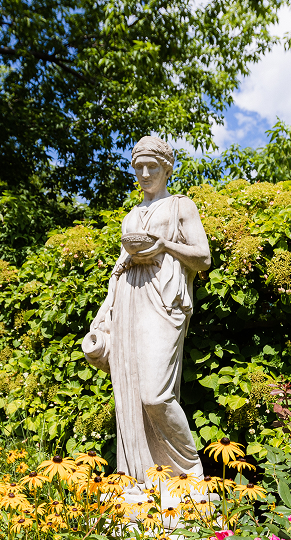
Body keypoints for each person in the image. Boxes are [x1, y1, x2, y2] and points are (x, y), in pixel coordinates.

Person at [83, 137, 211, 487]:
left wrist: (165, 245)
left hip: (164, 301)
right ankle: (146, 479)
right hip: (129, 298)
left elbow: (203, 258)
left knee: (155, 394)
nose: (144, 173)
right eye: (138, 167)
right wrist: (104, 312)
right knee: (131, 394)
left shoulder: (180, 207)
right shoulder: (131, 216)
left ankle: (189, 473)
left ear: (166, 168)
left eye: (152, 166)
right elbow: (119, 268)